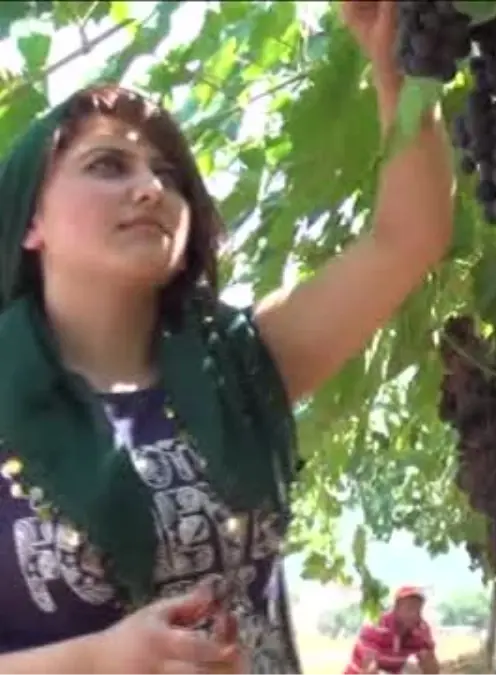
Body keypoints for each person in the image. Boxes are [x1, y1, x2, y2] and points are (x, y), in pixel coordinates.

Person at [0, 0, 452, 672]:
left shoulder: (239, 363)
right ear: (28, 219)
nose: (151, 188)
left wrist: (399, 67)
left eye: (169, 175)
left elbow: (406, 237)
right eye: (107, 166)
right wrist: (100, 659)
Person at [345, 586, 439, 675]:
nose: (414, 614)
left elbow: (432, 670)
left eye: (418, 609)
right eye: (410, 608)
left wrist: (428, 650)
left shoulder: (420, 629)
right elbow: (369, 669)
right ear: (396, 608)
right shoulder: (377, 626)